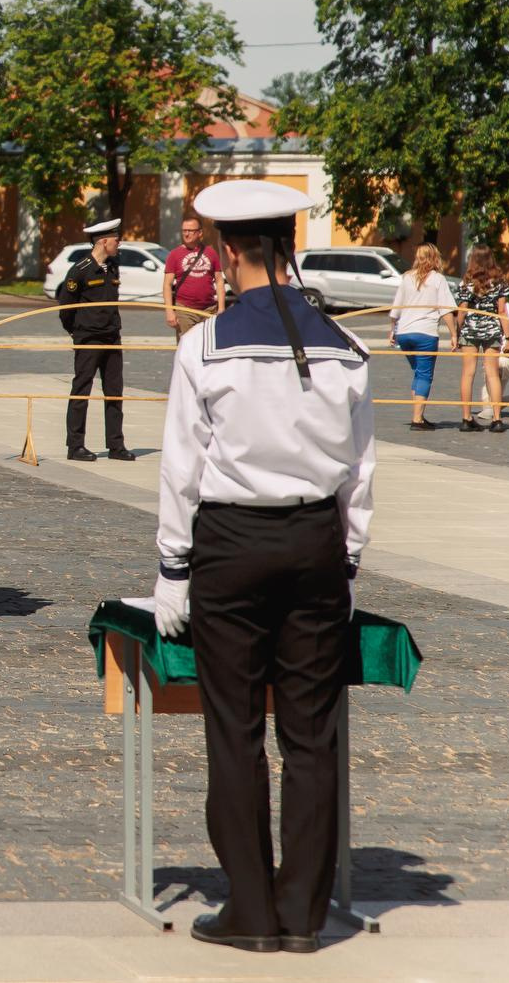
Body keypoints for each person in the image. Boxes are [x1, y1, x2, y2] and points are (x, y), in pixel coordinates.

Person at [150, 180, 375, 955]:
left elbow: (182, 467)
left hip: (232, 546)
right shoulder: (346, 347)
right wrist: (344, 561)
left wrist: (171, 567)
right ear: (287, 246)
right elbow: (359, 471)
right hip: (315, 539)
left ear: (220, 252)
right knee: (312, 736)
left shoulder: (203, 346)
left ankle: (250, 908)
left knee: (236, 731)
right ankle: (305, 912)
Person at [58, 216, 134, 462]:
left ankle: (116, 445)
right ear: (103, 241)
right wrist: (78, 333)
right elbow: (66, 309)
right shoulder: (79, 271)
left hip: (112, 337)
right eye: (115, 239)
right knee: (82, 390)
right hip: (89, 338)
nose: (119, 244)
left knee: (115, 392)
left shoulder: (113, 267)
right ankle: (75, 445)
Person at [387, 242, 451, 430]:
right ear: (435, 258)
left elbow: (396, 308)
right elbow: (446, 309)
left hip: (405, 332)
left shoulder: (407, 278)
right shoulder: (438, 279)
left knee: (418, 373)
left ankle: (419, 416)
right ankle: (417, 419)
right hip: (426, 333)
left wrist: (392, 330)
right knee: (424, 375)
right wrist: (454, 333)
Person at [450, 245, 509, 433]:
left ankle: (466, 418)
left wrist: (456, 332)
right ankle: (497, 418)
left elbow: (462, 310)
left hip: (470, 330)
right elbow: (502, 311)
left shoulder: (467, 281)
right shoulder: (500, 282)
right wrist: (508, 337)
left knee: (468, 373)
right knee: (493, 374)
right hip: (492, 330)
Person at [163, 215, 227, 341]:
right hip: (185, 310)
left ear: (200, 233)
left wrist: (221, 308)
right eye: (184, 231)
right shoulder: (174, 255)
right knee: (186, 348)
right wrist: (169, 311)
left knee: (208, 347)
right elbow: (167, 285)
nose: (186, 234)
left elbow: (219, 281)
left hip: (209, 310)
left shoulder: (211, 252)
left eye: (190, 231)